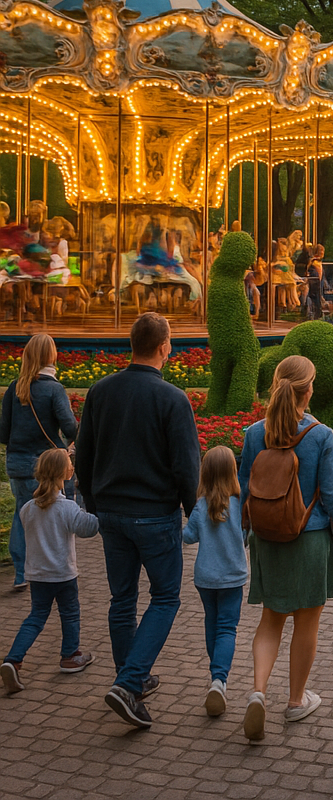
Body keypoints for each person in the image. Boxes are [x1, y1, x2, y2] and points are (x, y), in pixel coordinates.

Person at [75, 312, 201, 729]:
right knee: (165, 598)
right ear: (166, 346)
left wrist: (94, 503)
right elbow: (186, 465)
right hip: (154, 514)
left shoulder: (100, 391)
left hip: (111, 511)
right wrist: (190, 510)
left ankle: (132, 680)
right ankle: (129, 683)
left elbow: (85, 454)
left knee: (122, 600)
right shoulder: (172, 398)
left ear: (132, 344)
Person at [238, 354, 333, 741]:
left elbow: (243, 491)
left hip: (266, 540)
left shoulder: (255, 433)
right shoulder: (322, 435)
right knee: (307, 624)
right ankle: (295, 701)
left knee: (271, 619)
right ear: (309, 389)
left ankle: (257, 691)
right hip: (311, 538)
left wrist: (244, 539)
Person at [1, 448, 99, 694]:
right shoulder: (66, 508)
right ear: (65, 474)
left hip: (37, 574)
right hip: (63, 573)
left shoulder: (27, 509)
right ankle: (70, 655)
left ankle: (13, 659)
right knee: (69, 612)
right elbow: (89, 528)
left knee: (36, 617)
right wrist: (96, 509)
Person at [0, 333, 78, 592]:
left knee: (22, 513)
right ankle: (52, 570)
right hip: (45, 464)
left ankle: (21, 572)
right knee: (52, 514)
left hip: (16, 463)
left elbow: (3, 433)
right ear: (51, 356)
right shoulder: (54, 388)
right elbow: (69, 426)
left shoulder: (14, 387)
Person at [182, 446, 248, 717]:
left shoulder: (200, 505)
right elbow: (246, 535)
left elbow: (188, 537)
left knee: (212, 621)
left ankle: (215, 676)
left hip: (206, 577)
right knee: (227, 628)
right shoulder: (240, 504)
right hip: (232, 577)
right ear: (233, 471)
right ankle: (219, 679)